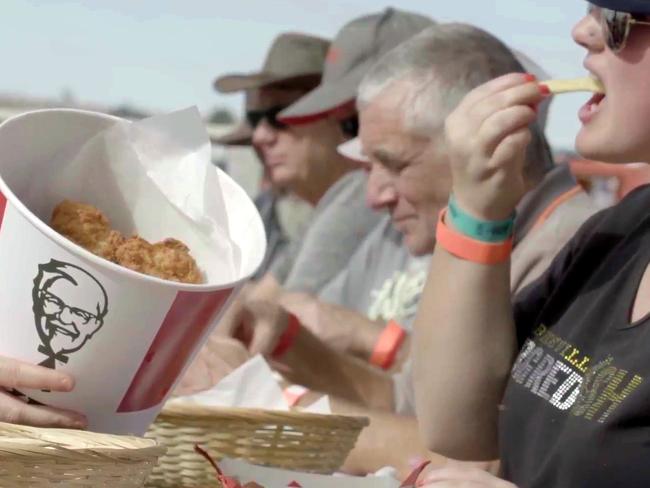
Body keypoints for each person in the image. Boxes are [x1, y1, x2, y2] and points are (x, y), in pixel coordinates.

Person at [412, 2, 650, 486]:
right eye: (591, 10)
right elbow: (457, 425)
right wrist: (477, 209)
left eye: (619, 21)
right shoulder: (619, 231)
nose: (583, 31)